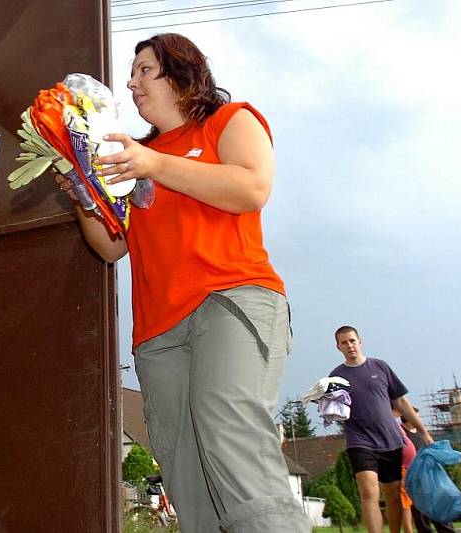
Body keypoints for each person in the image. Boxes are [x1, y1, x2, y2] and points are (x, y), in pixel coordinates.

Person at [55, 33, 309, 533]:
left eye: (145, 70)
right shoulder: (133, 157)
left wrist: (155, 165)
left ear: (182, 73)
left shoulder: (229, 121)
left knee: (226, 426)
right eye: (132, 75)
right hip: (158, 335)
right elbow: (111, 246)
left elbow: (251, 188)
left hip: (230, 300)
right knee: (183, 465)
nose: (131, 83)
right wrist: (86, 197)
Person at [329, 326, 433, 533]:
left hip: (389, 440)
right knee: (368, 492)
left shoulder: (380, 367)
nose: (349, 346)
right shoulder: (336, 377)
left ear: (360, 341)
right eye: (344, 343)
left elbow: (401, 401)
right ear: (338, 347)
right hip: (360, 441)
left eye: (352, 341)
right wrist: (325, 402)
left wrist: (423, 432)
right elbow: (333, 411)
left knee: (393, 495)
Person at [400, 411, 456, 533]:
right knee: (420, 513)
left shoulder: (422, 433)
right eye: (416, 417)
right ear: (408, 418)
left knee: (438, 506)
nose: (419, 420)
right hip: (411, 477)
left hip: (428, 476)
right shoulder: (400, 432)